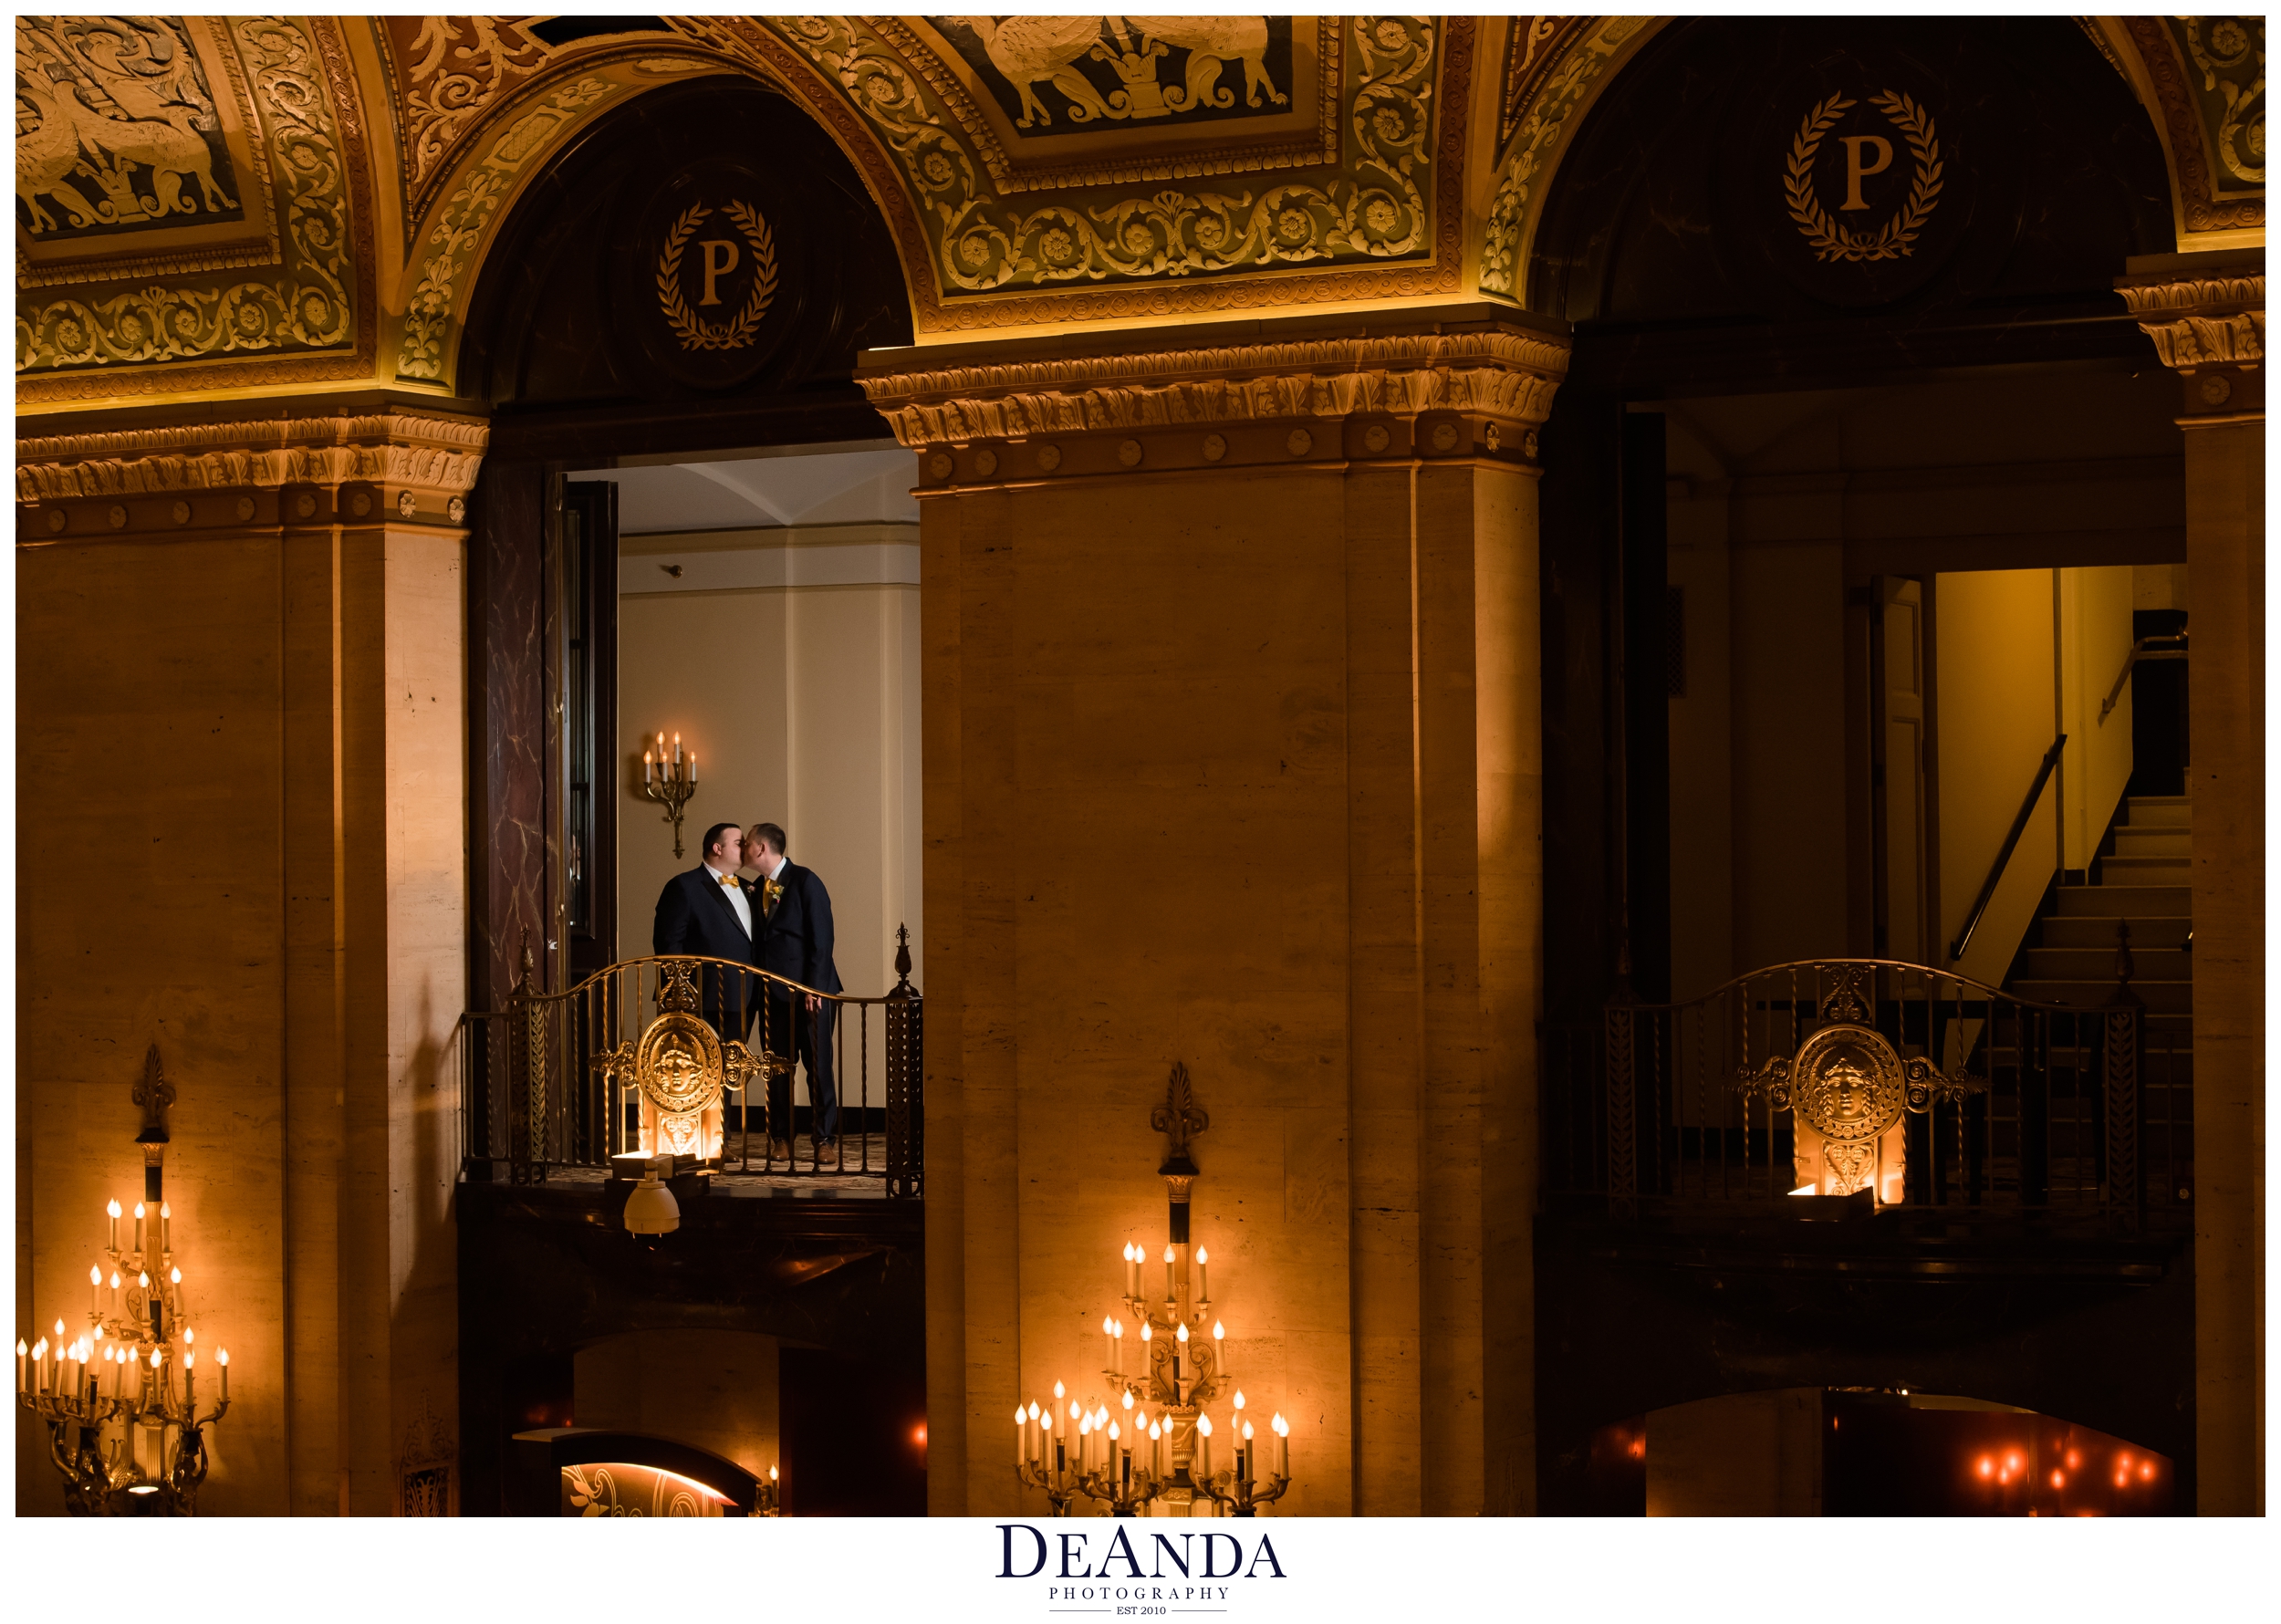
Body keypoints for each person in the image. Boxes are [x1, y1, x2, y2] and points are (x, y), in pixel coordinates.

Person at [745, 821, 843, 1156]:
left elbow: (822, 940)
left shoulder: (805, 881)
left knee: (818, 1068)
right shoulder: (757, 887)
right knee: (777, 1069)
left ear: (761, 848)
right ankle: (781, 1139)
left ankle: (824, 1140)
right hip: (773, 997)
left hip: (809, 994)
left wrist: (814, 990)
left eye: (747, 843)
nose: (743, 848)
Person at [651, 821, 762, 1040]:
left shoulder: (750, 887)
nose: (745, 849)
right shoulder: (684, 885)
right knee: (701, 1070)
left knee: (733, 1068)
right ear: (717, 848)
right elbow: (669, 943)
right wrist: (681, 991)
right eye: (739, 843)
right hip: (703, 996)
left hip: (746, 994)